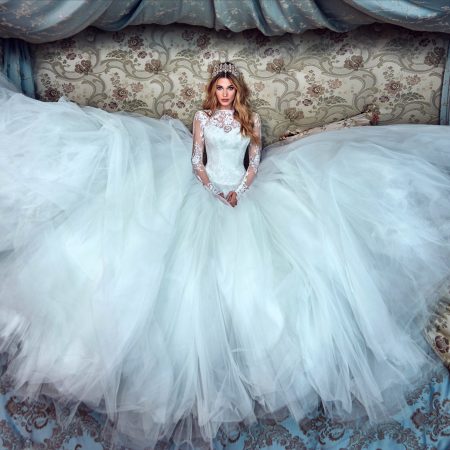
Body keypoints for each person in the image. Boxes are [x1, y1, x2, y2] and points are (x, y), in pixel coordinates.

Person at [0, 62, 450, 449]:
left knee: (270, 271)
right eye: (219, 88)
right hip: (206, 188)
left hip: (245, 191)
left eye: (230, 88)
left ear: (238, 92)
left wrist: (241, 189)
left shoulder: (250, 120)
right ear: (212, 91)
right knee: (179, 272)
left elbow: (254, 161)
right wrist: (214, 189)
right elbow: (196, 160)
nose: (224, 94)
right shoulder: (201, 118)